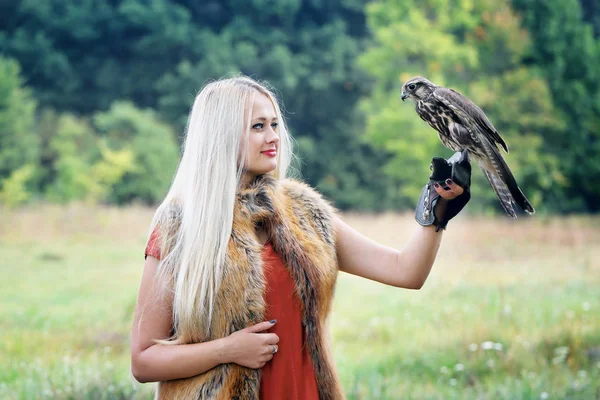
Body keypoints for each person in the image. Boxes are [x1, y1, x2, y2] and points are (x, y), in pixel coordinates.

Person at [130, 76, 471, 400]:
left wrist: (437, 208)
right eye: (258, 126)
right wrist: (227, 350)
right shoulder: (182, 225)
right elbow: (144, 360)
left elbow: (405, 271)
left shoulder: (304, 213)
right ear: (222, 135)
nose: (273, 136)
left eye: (275, 124)